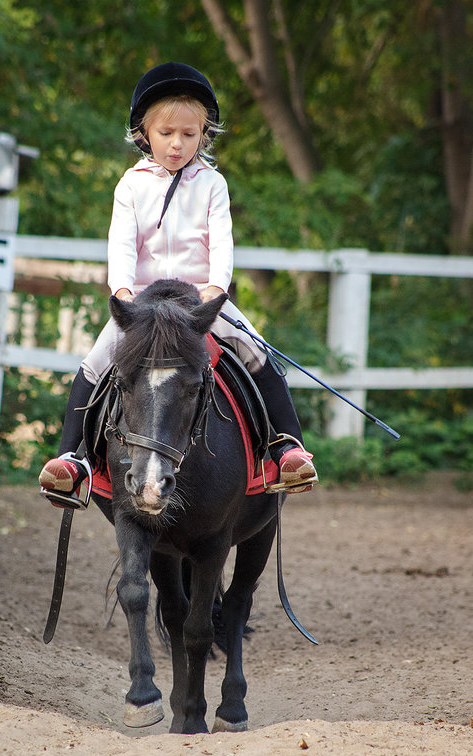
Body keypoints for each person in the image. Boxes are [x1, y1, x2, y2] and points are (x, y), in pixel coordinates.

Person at [39, 62, 317, 509]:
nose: (177, 144)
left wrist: (215, 288)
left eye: (190, 135)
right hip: (144, 304)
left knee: (256, 352)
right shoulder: (130, 185)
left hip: (199, 302)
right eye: (167, 133)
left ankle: (285, 450)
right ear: (144, 133)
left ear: (203, 135)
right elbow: (122, 244)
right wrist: (122, 290)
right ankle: (74, 460)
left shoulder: (212, 184)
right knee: (95, 361)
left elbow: (222, 243)